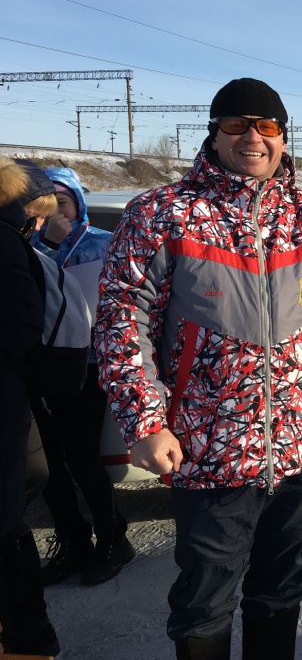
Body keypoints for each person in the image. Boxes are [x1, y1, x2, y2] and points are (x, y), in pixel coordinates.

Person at [94, 78, 302, 660]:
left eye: (266, 126)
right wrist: (145, 422)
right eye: (237, 125)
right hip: (210, 447)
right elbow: (122, 323)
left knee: (282, 591)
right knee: (206, 599)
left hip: (300, 449)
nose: (253, 137)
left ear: (282, 138)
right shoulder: (163, 214)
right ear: (215, 133)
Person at [30, 166, 134, 586]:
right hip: (36, 367)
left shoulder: (103, 245)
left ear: (78, 202)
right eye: (45, 204)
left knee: (81, 456)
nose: (56, 211)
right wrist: (47, 243)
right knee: (48, 465)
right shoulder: (27, 246)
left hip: (87, 367)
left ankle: (113, 537)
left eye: (64, 201)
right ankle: (73, 540)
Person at [0, 157, 60, 656]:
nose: (39, 226)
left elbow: (20, 326)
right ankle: (27, 633)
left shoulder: (9, 246)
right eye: (36, 215)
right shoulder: (8, 245)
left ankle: (26, 633)